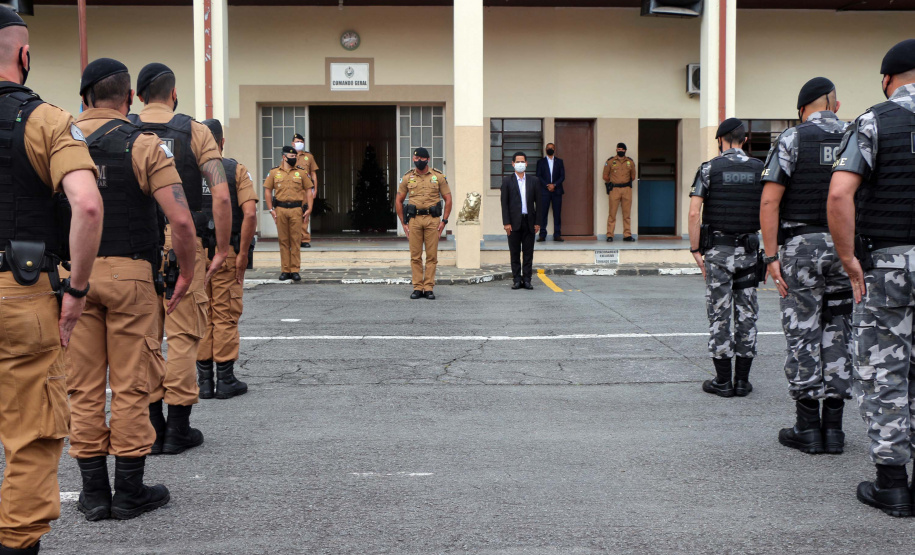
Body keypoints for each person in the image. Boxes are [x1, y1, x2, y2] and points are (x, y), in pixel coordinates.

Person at [67, 58, 198, 522]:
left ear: (84, 97)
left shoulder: (59, 139)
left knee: (82, 387)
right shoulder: (143, 144)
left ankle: (93, 494)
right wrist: (184, 272)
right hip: (131, 276)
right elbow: (181, 219)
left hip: (74, 278)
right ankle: (128, 492)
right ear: (128, 100)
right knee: (130, 384)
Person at [0, 9, 103, 552]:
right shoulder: (44, 119)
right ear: (24, 55)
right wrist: (78, 291)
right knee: (31, 435)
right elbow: (86, 205)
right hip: (19, 289)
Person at [828, 39, 915, 517]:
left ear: (888, 78)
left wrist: (849, 260)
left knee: (886, 373)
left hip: (889, 267)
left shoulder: (875, 120)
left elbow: (840, 195)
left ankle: (892, 485)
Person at [131, 62, 232, 456]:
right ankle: (178, 428)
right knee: (184, 333)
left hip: (139, 243)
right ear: (174, 94)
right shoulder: (195, 130)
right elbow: (220, 195)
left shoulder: (126, 129)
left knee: (145, 336)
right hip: (183, 239)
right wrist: (222, 249)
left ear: (137, 97)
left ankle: (153, 424)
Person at [760, 77, 853, 456]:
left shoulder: (792, 138)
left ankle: (807, 428)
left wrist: (770, 257)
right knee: (839, 332)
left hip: (802, 247)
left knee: (803, 332)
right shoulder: (854, 133)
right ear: (835, 104)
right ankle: (834, 430)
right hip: (846, 247)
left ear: (802, 109)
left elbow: (770, 202)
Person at [688, 118, 764, 398]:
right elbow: (770, 206)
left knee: (720, 314)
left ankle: (723, 381)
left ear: (720, 140)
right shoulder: (759, 169)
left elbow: (695, 212)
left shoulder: (709, 169)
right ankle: (742, 381)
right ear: (743, 140)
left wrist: (696, 250)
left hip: (718, 252)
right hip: (749, 251)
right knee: (747, 314)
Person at [197, 118, 257, 400]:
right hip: (226, 252)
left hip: (193, 254)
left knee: (201, 315)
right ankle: (225, 379)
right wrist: (243, 253)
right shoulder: (234, 169)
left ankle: (204, 382)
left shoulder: (183, 170)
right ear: (221, 142)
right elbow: (250, 213)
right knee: (225, 313)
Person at [394, 147, 452, 300]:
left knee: (432, 256)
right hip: (414, 220)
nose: (418, 161)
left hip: (432, 220)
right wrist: (403, 223)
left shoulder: (438, 176)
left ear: (428, 159)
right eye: (416, 159)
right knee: (415, 256)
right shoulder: (407, 177)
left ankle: (429, 288)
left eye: (421, 158)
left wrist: (444, 221)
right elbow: (399, 200)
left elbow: (448, 198)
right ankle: (418, 287)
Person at [263, 146, 308, 282]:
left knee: (295, 240)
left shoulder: (300, 172)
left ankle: (295, 270)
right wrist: (271, 209)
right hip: (281, 209)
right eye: (292, 157)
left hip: (296, 209)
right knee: (283, 240)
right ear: (284, 157)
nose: (294, 158)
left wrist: (308, 208)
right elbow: (267, 190)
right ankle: (285, 270)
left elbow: (308, 189)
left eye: (295, 157)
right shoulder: (274, 172)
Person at [501, 152, 540, 289]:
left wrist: (538, 222)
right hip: (513, 223)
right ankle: (517, 279)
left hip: (529, 222)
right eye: (517, 162)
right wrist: (506, 223)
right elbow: (504, 204)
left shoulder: (533, 181)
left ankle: (527, 279)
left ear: (526, 163)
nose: (520, 164)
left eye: (522, 161)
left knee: (528, 253)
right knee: (515, 252)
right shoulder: (507, 181)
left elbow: (539, 203)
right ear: (512, 164)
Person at [603, 142, 636, 242]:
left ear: (625, 150)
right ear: (616, 150)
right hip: (615, 189)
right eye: (619, 149)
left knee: (627, 214)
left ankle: (627, 235)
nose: (620, 151)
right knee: (612, 214)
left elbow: (633, 176)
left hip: (626, 189)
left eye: (622, 149)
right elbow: (605, 176)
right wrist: (613, 182)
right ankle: (610, 235)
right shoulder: (610, 161)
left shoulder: (630, 162)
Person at [292, 133, 318, 248]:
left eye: (301, 142)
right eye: (297, 142)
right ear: (293, 144)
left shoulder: (309, 156)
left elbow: (313, 173)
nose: (299, 144)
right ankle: (294, 239)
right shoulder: (288, 156)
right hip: (292, 189)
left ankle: (304, 239)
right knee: (293, 214)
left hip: (306, 190)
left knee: (305, 213)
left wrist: (315, 189)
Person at [535, 142, 565, 242]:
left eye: (552, 148)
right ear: (545, 149)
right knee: (543, 213)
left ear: (554, 149)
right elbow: (538, 176)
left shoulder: (559, 162)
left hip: (557, 191)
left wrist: (554, 185)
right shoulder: (541, 162)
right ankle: (542, 234)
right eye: (548, 148)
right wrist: (547, 185)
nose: (550, 149)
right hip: (544, 191)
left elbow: (562, 176)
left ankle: (557, 234)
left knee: (557, 213)